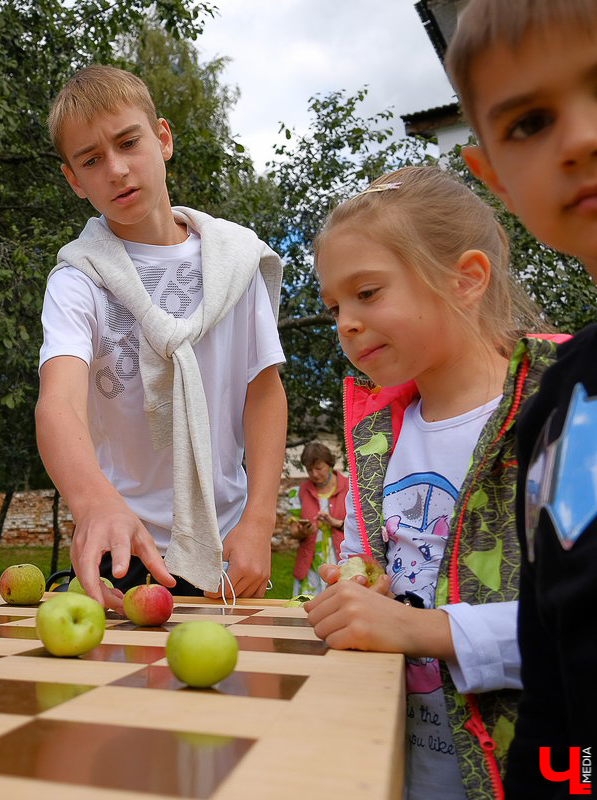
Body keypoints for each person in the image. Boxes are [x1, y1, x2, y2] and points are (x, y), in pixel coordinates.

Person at [305, 165, 563, 800]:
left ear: (466, 278)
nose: (346, 323)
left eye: (368, 293)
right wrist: (356, 586)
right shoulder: (374, 441)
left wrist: (420, 630)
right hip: (402, 765)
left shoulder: (562, 416)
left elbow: (578, 627)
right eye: (335, 307)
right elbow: (363, 564)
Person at [35, 65, 287, 608]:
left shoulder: (235, 260)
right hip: (124, 549)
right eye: (91, 160)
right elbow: (58, 403)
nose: (117, 170)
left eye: (129, 142)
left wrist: (260, 519)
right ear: (74, 181)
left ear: (163, 138)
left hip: (230, 550)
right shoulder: (78, 281)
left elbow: (263, 392)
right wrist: (93, 503)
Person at [444, 0, 597, 793]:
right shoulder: (555, 413)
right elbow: (554, 695)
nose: (581, 137)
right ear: (495, 177)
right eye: (531, 122)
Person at [289, 441, 347, 597]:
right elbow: (293, 530)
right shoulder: (299, 492)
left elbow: (361, 527)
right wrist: (303, 531)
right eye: (309, 470)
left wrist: (335, 523)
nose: (314, 474)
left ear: (330, 464)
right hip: (310, 562)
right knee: (307, 604)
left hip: (341, 559)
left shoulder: (349, 488)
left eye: (319, 468)